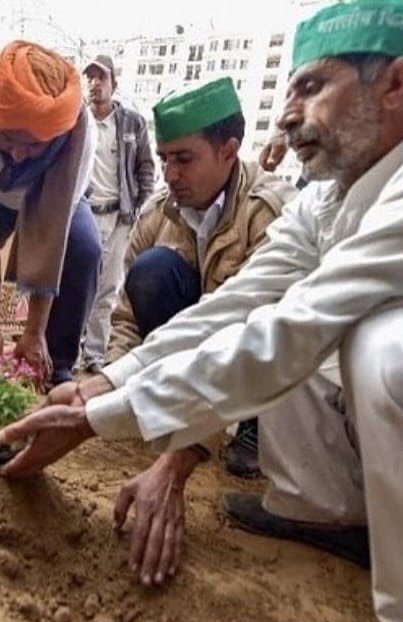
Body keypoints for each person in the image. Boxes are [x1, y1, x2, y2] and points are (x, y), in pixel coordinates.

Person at [0, 1, 403, 622]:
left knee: (383, 348)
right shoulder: (320, 201)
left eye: (312, 87)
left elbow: (287, 335)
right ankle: (322, 510)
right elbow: (232, 309)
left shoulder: (299, 203)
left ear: (396, 85)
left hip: (328, 383)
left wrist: (147, 440)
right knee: (248, 311)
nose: (289, 116)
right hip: (252, 374)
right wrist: (105, 383)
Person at [104, 77, 296, 477]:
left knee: (272, 320)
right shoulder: (159, 212)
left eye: (184, 159)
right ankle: (169, 405)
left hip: (254, 350)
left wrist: (193, 444)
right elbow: (127, 317)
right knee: (152, 271)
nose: (170, 174)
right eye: (163, 159)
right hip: (194, 347)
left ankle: (254, 427)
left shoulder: (270, 212)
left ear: (228, 151)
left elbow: (264, 329)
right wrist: (110, 386)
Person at [0, 40, 101, 385]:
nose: (16, 154)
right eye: (7, 137)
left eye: (33, 145)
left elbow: (52, 234)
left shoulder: (79, 139)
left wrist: (34, 331)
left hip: (51, 199)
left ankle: (53, 368)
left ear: (57, 133)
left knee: (85, 250)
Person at [80, 55, 155, 374]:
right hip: (83, 213)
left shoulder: (131, 123)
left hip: (120, 217)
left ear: (114, 84)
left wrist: (142, 206)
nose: (95, 83)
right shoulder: (77, 120)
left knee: (107, 289)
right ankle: (67, 352)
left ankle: (94, 355)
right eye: (91, 77)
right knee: (78, 284)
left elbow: (146, 166)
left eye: (102, 77)